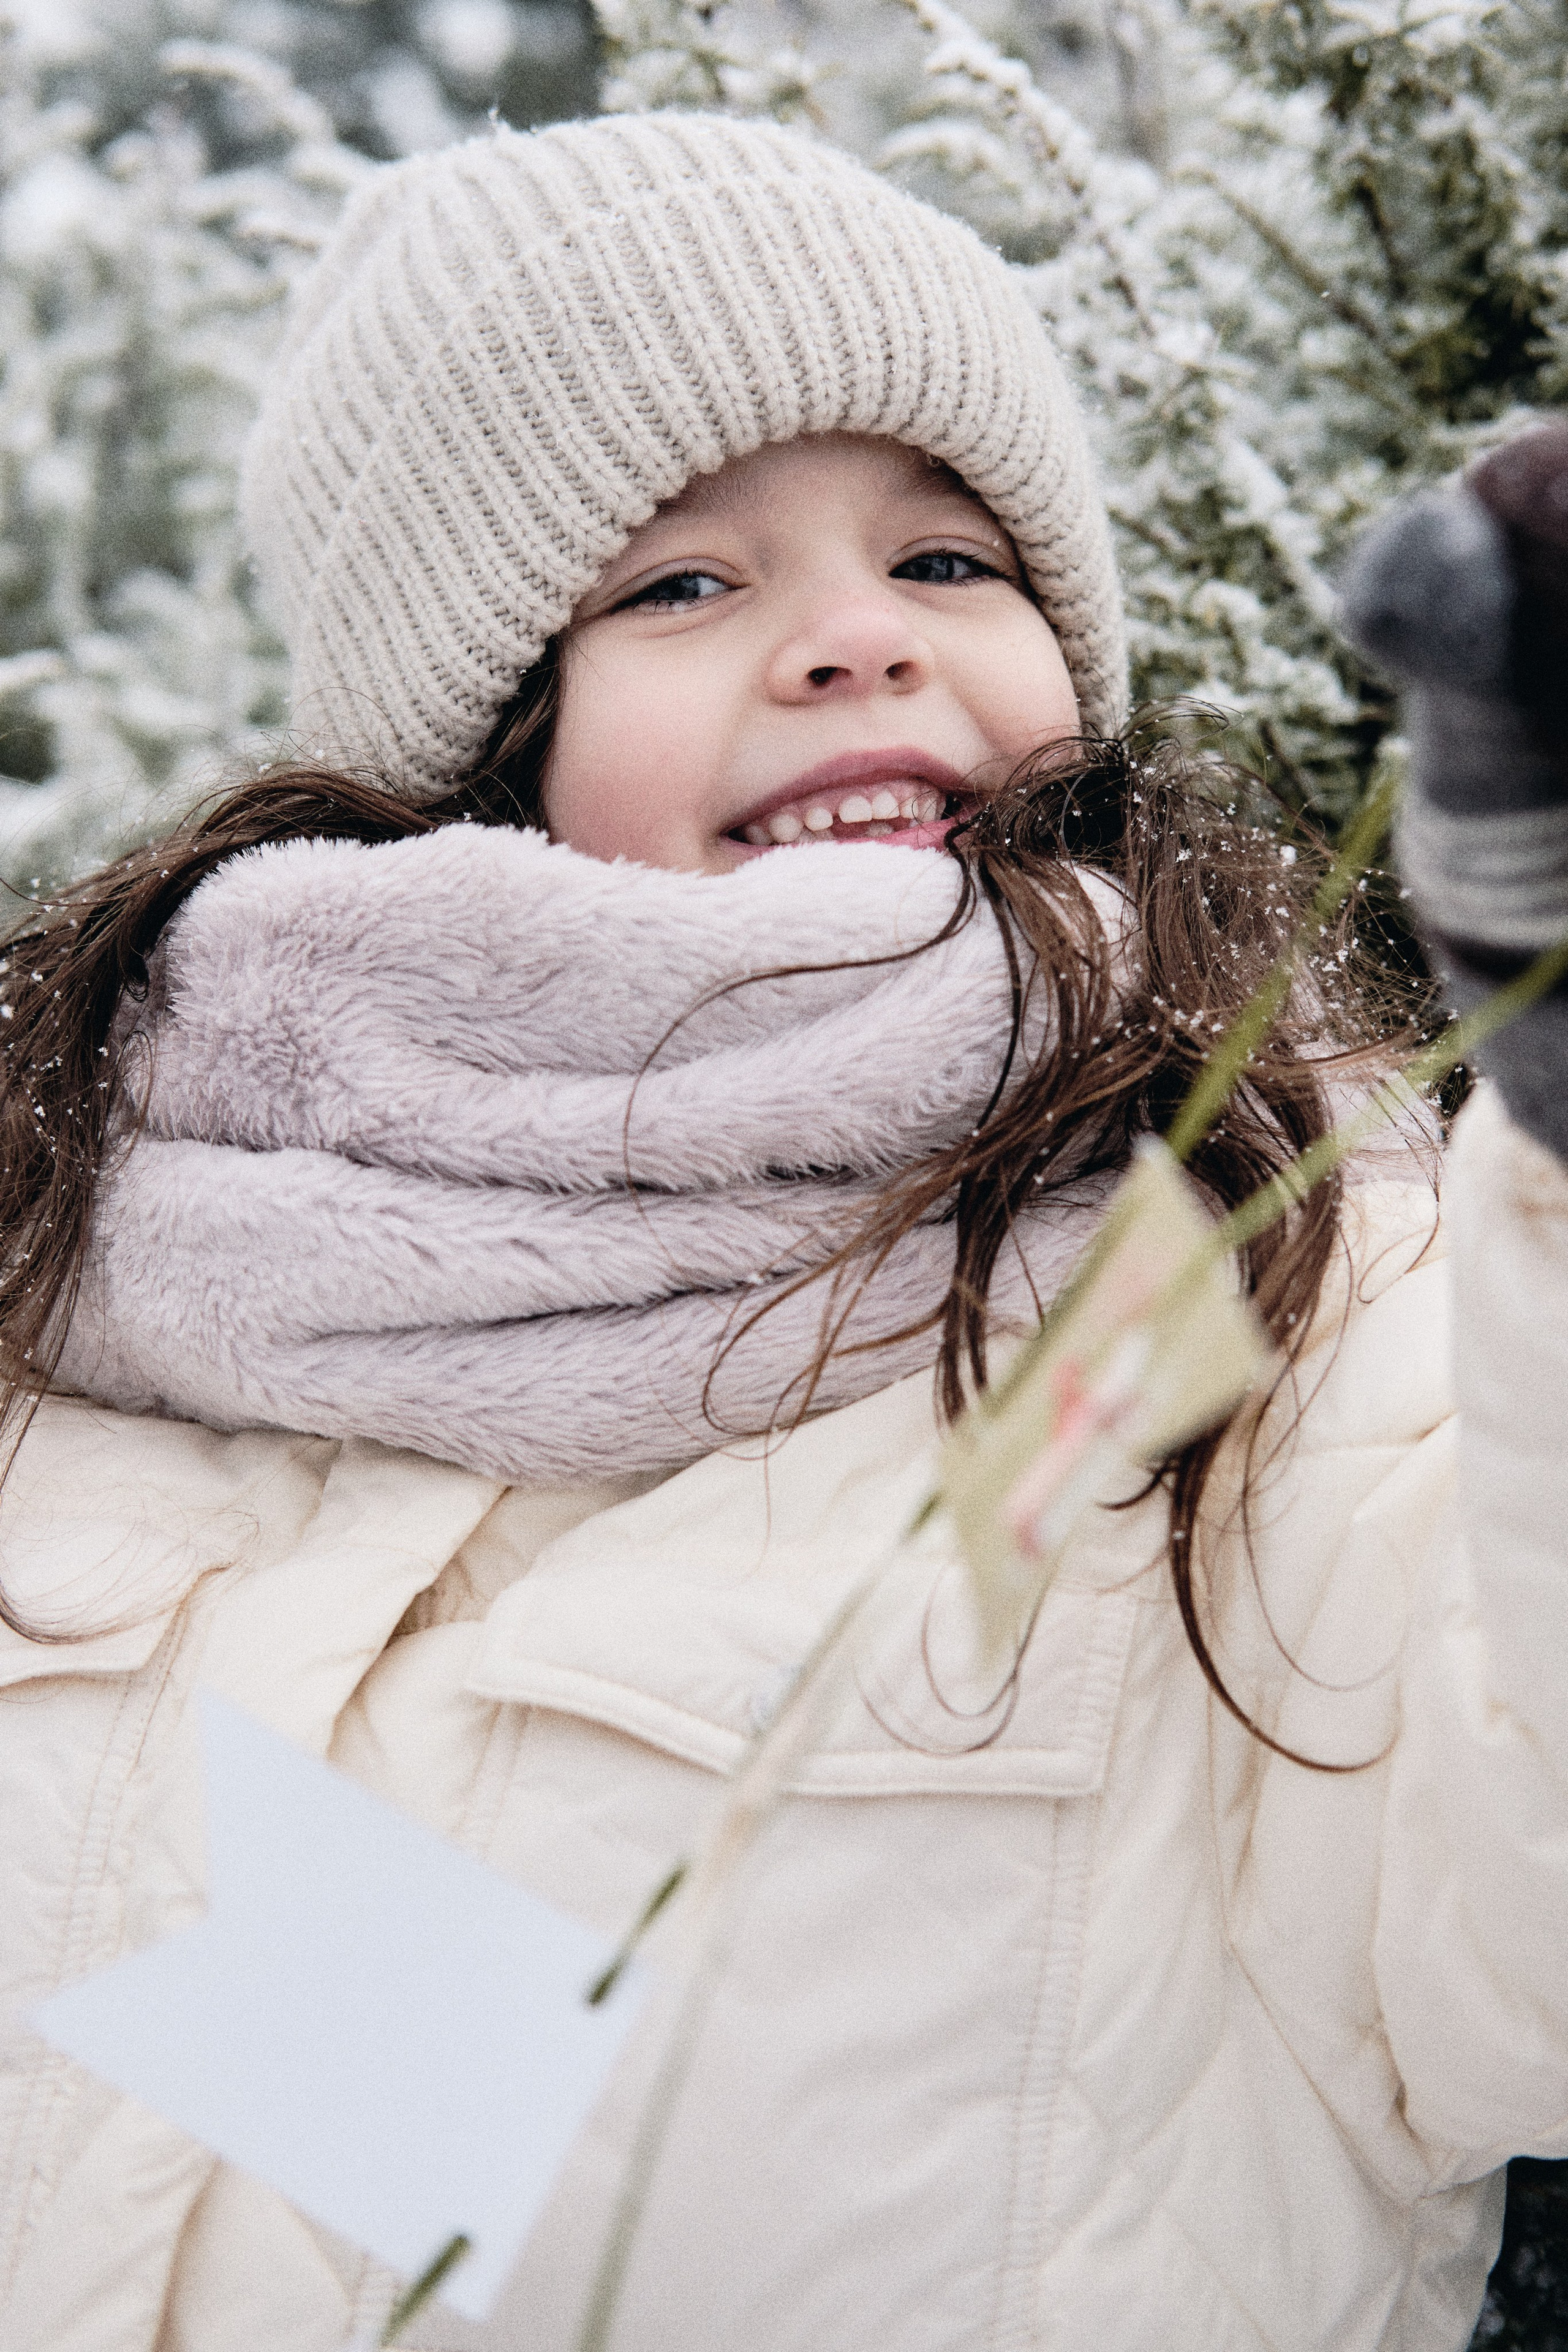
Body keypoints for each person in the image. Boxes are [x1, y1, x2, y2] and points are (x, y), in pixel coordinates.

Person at [0, 108, 1564, 2352]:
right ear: (475, 743)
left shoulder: (1288, 1284)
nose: (854, 641)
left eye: (949, 563)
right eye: (680, 582)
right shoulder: (90, 1274)